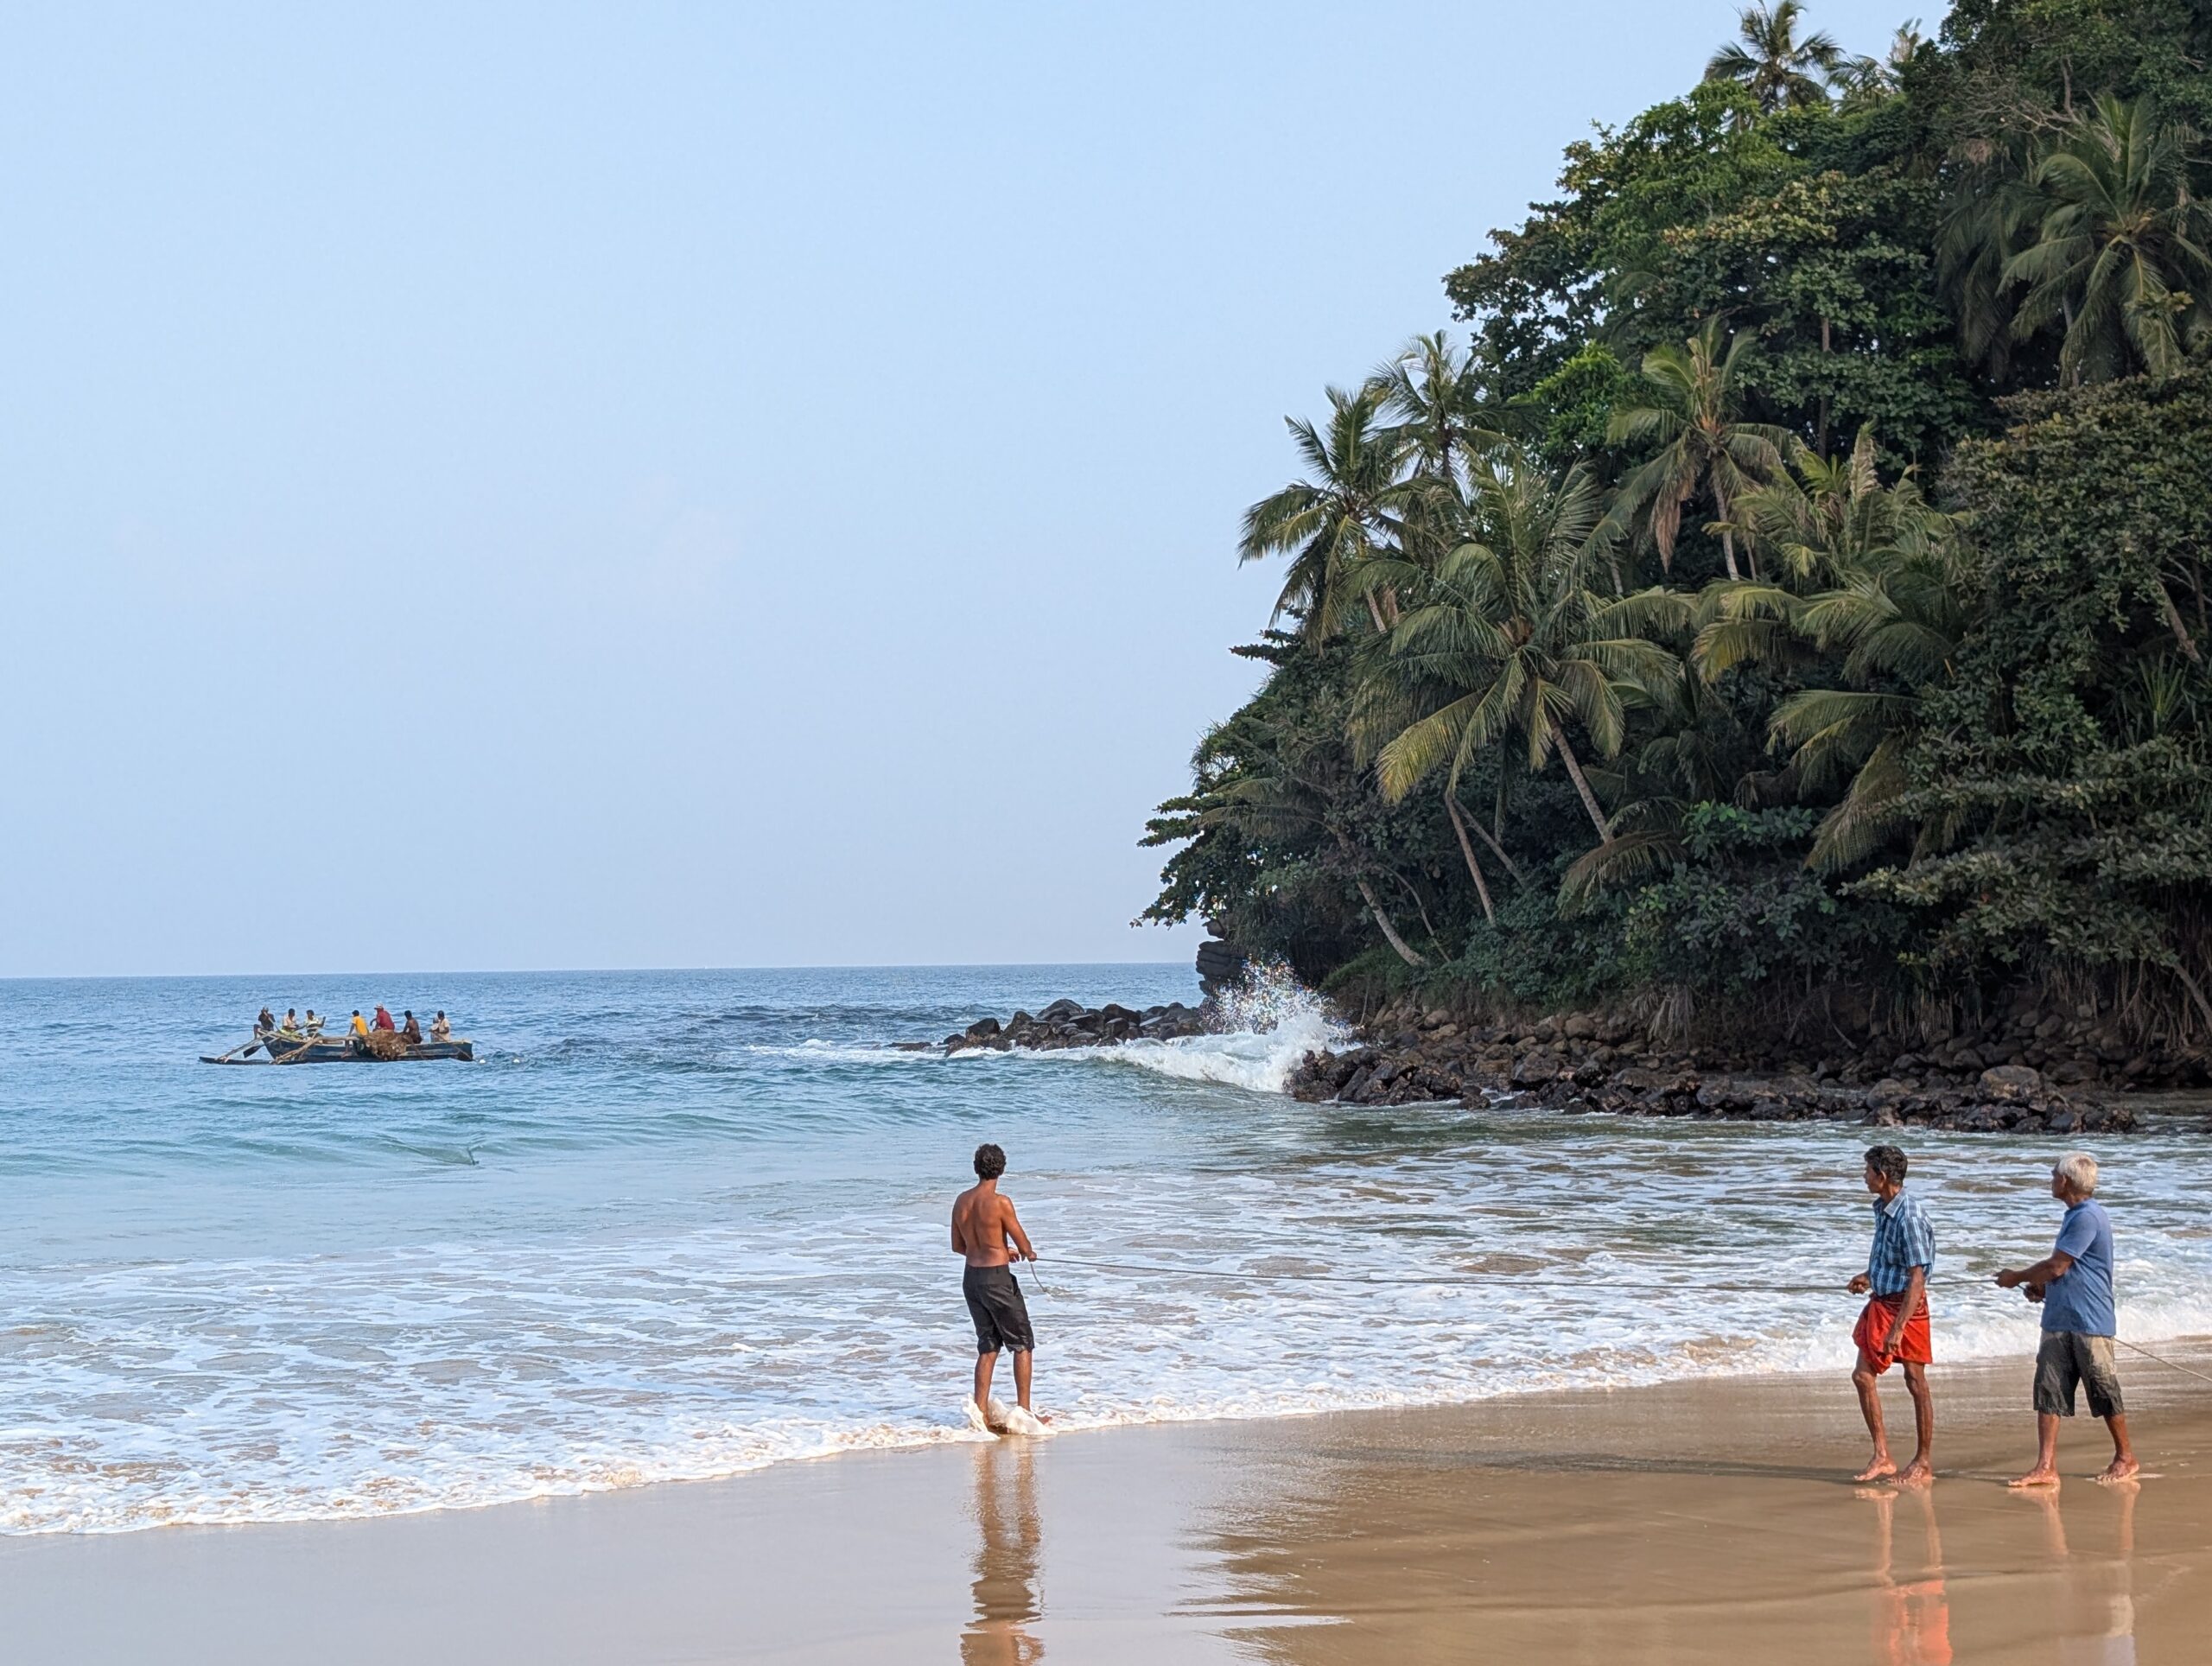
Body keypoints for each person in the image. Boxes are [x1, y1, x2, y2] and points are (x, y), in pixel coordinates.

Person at [1995, 1152, 2140, 1487]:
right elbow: (2070, 1269)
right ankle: (2045, 1466)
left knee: (2103, 1388)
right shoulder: (2075, 1215)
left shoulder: (2087, 1216)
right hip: (2060, 1317)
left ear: (2066, 1181)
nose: (2051, 1180)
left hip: (2090, 1319)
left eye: (2054, 1175)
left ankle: (2125, 1457)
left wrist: (2016, 1277)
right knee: (2049, 1389)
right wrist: (2043, 1289)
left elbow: (2058, 1266)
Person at [1847, 1144, 1936, 1486]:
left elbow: (1917, 1278)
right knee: (1863, 1376)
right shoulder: (1884, 1208)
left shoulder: (1909, 1216)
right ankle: (1882, 1456)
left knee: (1915, 1381)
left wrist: (1898, 1328)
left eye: (1867, 1171)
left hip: (1907, 1307)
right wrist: (1869, 1276)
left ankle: (1923, 1462)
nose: (1864, 1176)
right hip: (1884, 1301)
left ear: (1882, 1176)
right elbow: (1893, 1261)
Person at [951, 1142, 1044, 1427]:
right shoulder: (1001, 1202)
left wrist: (1000, 1251)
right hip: (997, 1279)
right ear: (1001, 1169)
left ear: (976, 1168)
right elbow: (1024, 1245)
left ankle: (980, 1416)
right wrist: (1026, 1253)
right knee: (1022, 1343)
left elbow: (958, 1246)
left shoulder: (961, 1201)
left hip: (972, 1279)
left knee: (988, 1345)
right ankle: (1024, 1414)